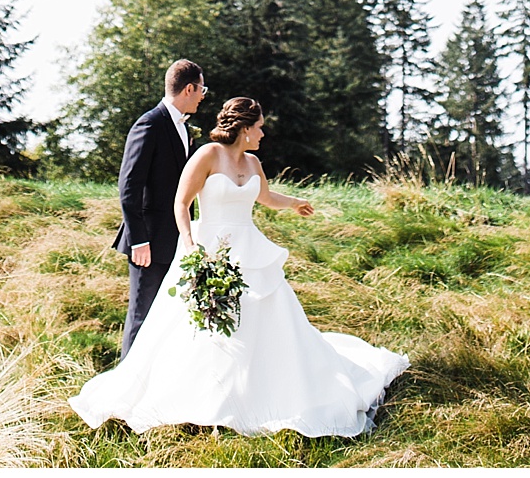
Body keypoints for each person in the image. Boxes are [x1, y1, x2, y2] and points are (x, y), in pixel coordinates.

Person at [71, 96, 409, 438]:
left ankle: (260, 392)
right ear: (245, 128)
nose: (263, 133)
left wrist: (294, 203)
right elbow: (181, 202)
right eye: (260, 127)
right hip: (208, 250)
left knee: (265, 323)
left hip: (249, 250)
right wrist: (190, 247)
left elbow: (265, 196)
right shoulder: (206, 155)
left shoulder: (253, 162)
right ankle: (204, 399)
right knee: (201, 328)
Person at [112, 59, 208, 357]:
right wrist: (139, 240)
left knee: (165, 320)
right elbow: (129, 187)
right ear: (189, 89)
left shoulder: (183, 127)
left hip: (174, 240)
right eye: (202, 89)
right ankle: (123, 396)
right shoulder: (150, 123)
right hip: (149, 242)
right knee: (141, 318)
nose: (204, 95)